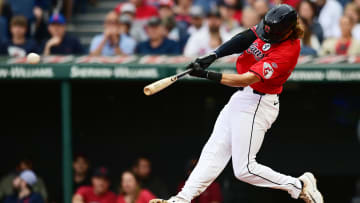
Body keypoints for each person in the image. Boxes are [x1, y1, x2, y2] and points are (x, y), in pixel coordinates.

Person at [149, 4, 323, 203]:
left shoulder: (287, 52)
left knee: (244, 169)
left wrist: (206, 74)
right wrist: (214, 55)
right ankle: (181, 199)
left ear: (287, 31)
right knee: (212, 153)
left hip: (259, 103)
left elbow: (245, 79)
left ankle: (299, 185)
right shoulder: (271, 27)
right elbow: (245, 38)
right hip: (242, 98)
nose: (265, 35)